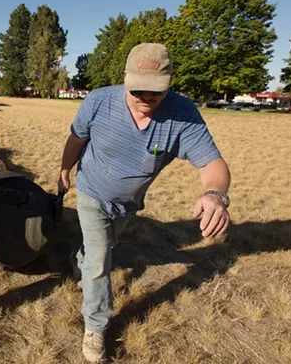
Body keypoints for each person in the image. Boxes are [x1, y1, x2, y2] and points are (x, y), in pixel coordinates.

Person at [57, 43, 231, 363]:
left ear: (169, 83)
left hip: (128, 204)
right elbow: (77, 138)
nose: (146, 99)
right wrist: (65, 170)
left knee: (103, 246)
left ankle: (77, 257)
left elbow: (212, 165)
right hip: (91, 190)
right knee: (100, 260)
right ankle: (96, 327)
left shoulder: (183, 116)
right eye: (138, 90)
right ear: (125, 78)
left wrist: (215, 195)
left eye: (155, 92)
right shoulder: (99, 101)